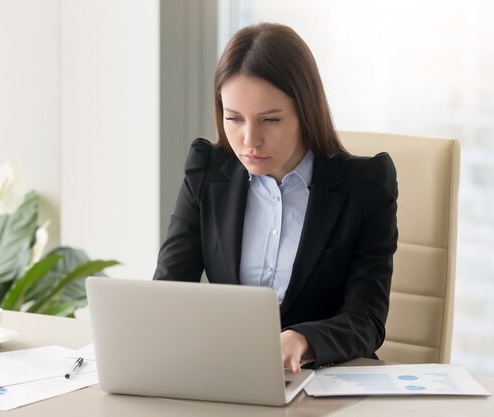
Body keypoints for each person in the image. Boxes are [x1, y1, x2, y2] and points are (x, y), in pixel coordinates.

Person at [153, 22, 398, 373]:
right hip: (227, 377)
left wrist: (302, 340)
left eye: (270, 120)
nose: (249, 141)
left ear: (305, 112)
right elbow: (167, 293)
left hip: (322, 384)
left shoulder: (367, 185)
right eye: (233, 119)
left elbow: (366, 320)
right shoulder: (207, 171)